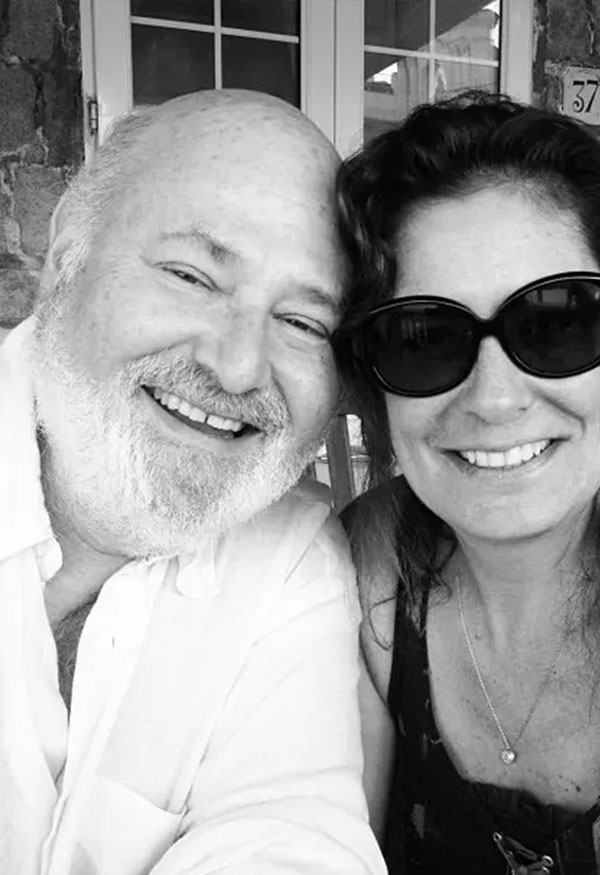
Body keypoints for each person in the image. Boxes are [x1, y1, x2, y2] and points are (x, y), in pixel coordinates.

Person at [0, 88, 386, 875]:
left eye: (304, 323)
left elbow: (294, 837)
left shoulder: (293, 560)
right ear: (67, 253)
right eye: (191, 275)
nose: (237, 365)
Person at [333, 90, 600, 873]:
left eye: (557, 319)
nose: (496, 398)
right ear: (378, 383)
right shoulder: (369, 570)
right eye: (425, 337)